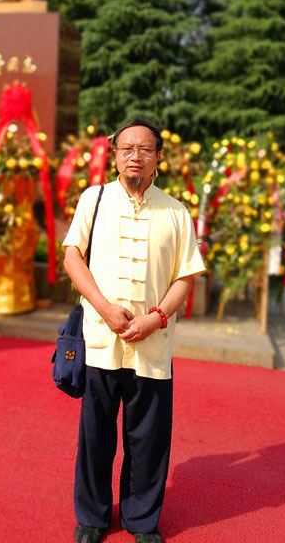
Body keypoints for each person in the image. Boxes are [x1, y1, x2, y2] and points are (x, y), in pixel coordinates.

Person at [63, 119, 205, 543]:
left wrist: (156, 317)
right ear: (115, 154)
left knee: (148, 438)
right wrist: (105, 309)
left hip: (152, 343)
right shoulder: (95, 199)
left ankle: (141, 519)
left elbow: (185, 277)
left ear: (158, 158)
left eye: (145, 149)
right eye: (127, 148)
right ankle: (91, 516)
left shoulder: (176, 211)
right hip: (102, 341)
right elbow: (73, 258)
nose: (135, 156)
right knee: (95, 434)